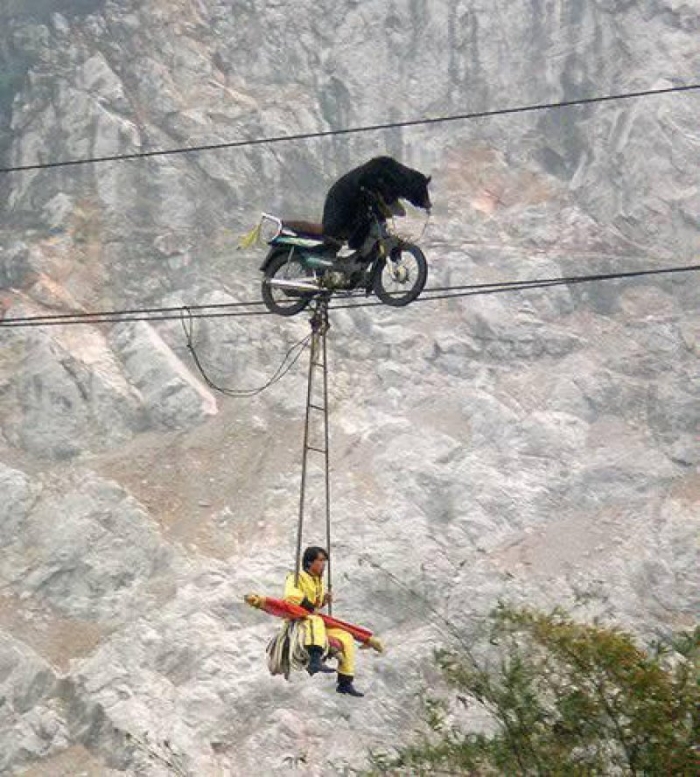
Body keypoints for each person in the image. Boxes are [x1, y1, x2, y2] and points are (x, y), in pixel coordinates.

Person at [284, 546, 364, 697]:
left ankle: (345, 681)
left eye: (324, 561)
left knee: (345, 636)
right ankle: (315, 658)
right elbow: (291, 596)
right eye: (320, 561)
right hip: (299, 621)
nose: (324, 564)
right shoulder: (296, 577)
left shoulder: (317, 581)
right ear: (309, 563)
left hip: (314, 623)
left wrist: (323, 601)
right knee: (316, 620)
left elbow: (315, 604)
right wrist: (310, 608)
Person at [322, 156, 432, 250]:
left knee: (373, 222)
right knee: (370, 221)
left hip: (349, 197)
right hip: (343, 201)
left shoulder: (389, 173)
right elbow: (373, 192)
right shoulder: (386, 172)